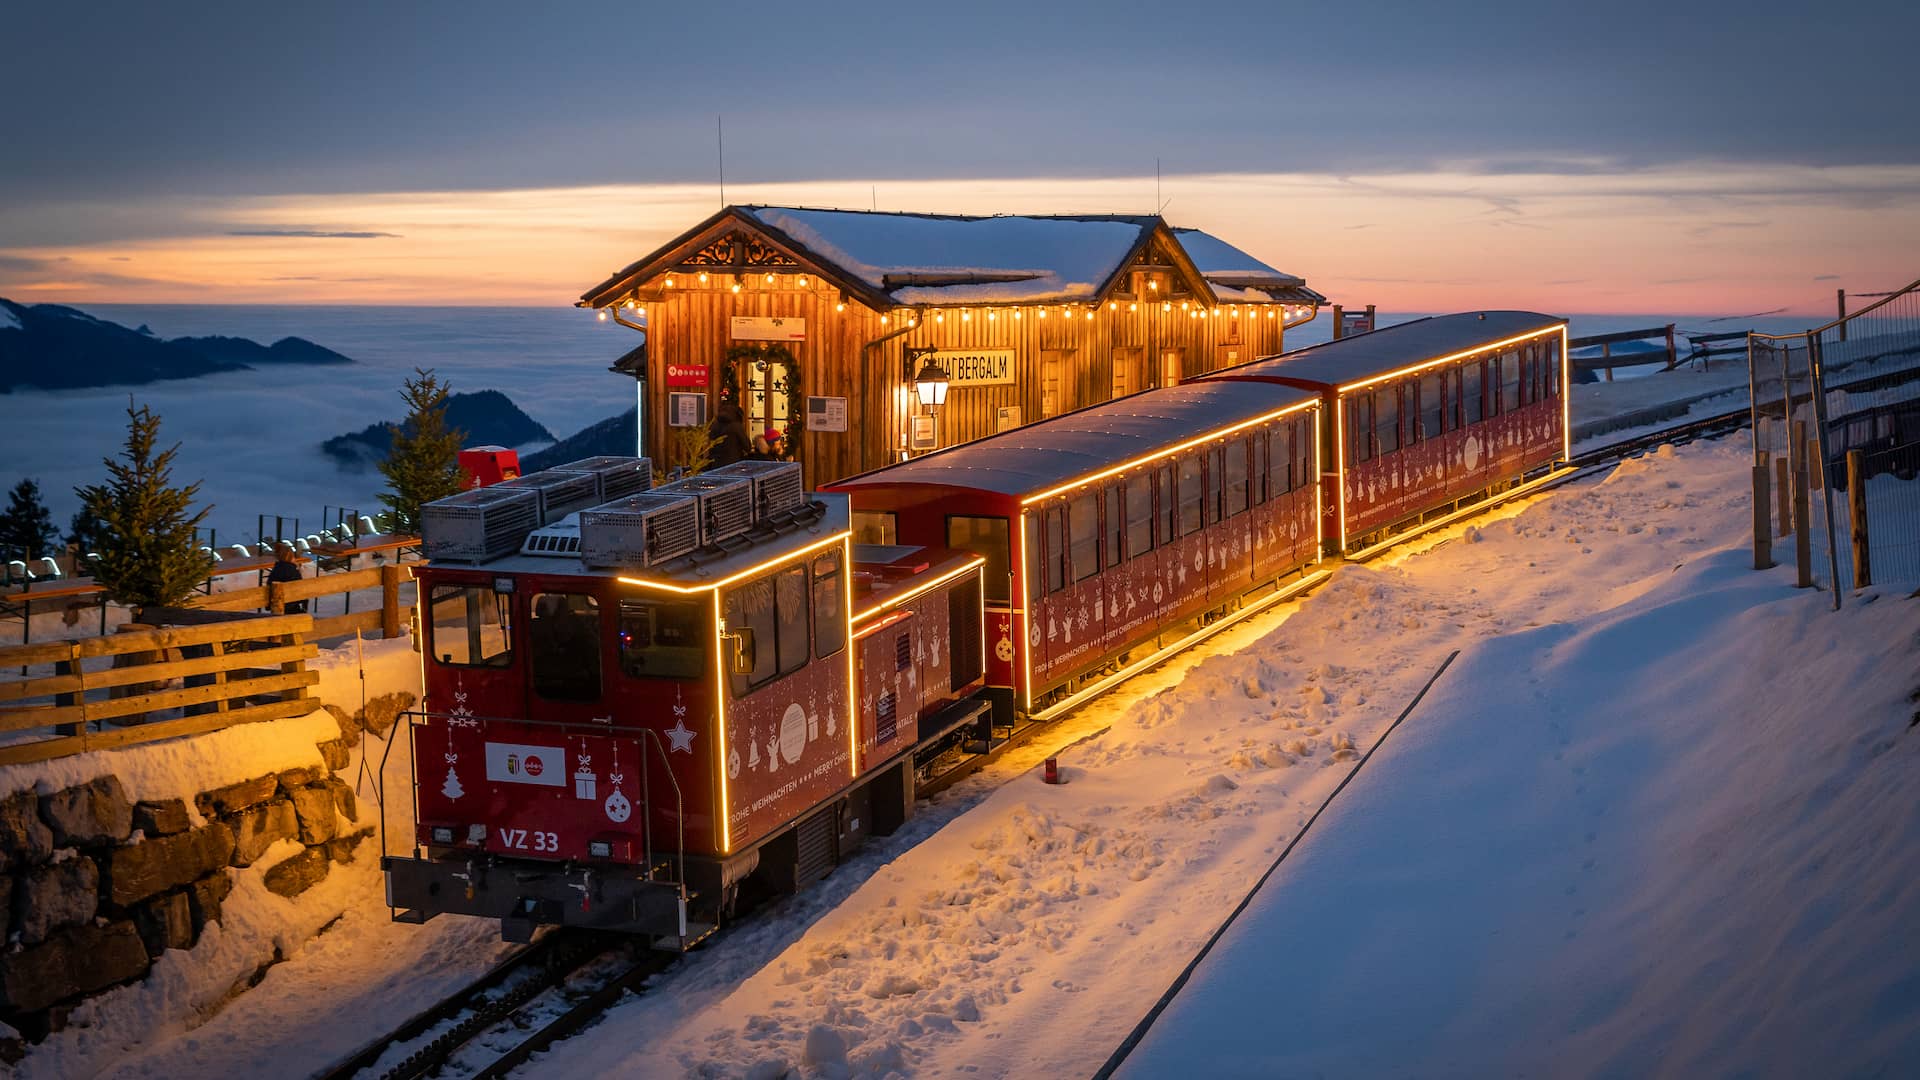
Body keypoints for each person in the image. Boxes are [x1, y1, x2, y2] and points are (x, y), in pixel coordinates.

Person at [708, 401, 751, 468]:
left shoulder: (714, 425)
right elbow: (747, 447)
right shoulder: (736, 426)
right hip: (733, 463)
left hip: (716, 463)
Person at [268, 542, 308, 614]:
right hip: (291, 606)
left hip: (276, 603)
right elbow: (301, 591)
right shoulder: (293, 571)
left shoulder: (276, 570)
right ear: (291, 556)